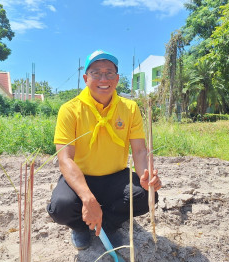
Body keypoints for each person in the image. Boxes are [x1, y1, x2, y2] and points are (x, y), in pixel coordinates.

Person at [46, 50, 162, 250]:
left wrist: (146, 176)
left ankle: (109, 225)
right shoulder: (70, 109)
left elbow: (140, 151)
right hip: (80, 178)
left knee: (146, 196)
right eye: (96, 73)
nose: (103, 79)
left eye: (109, 73)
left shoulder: (130, 108)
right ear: (85, 78)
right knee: (60, 208)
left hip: (115, 177)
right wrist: (87, 197)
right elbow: (65, 159)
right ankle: (81, 228)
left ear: (117, 79)